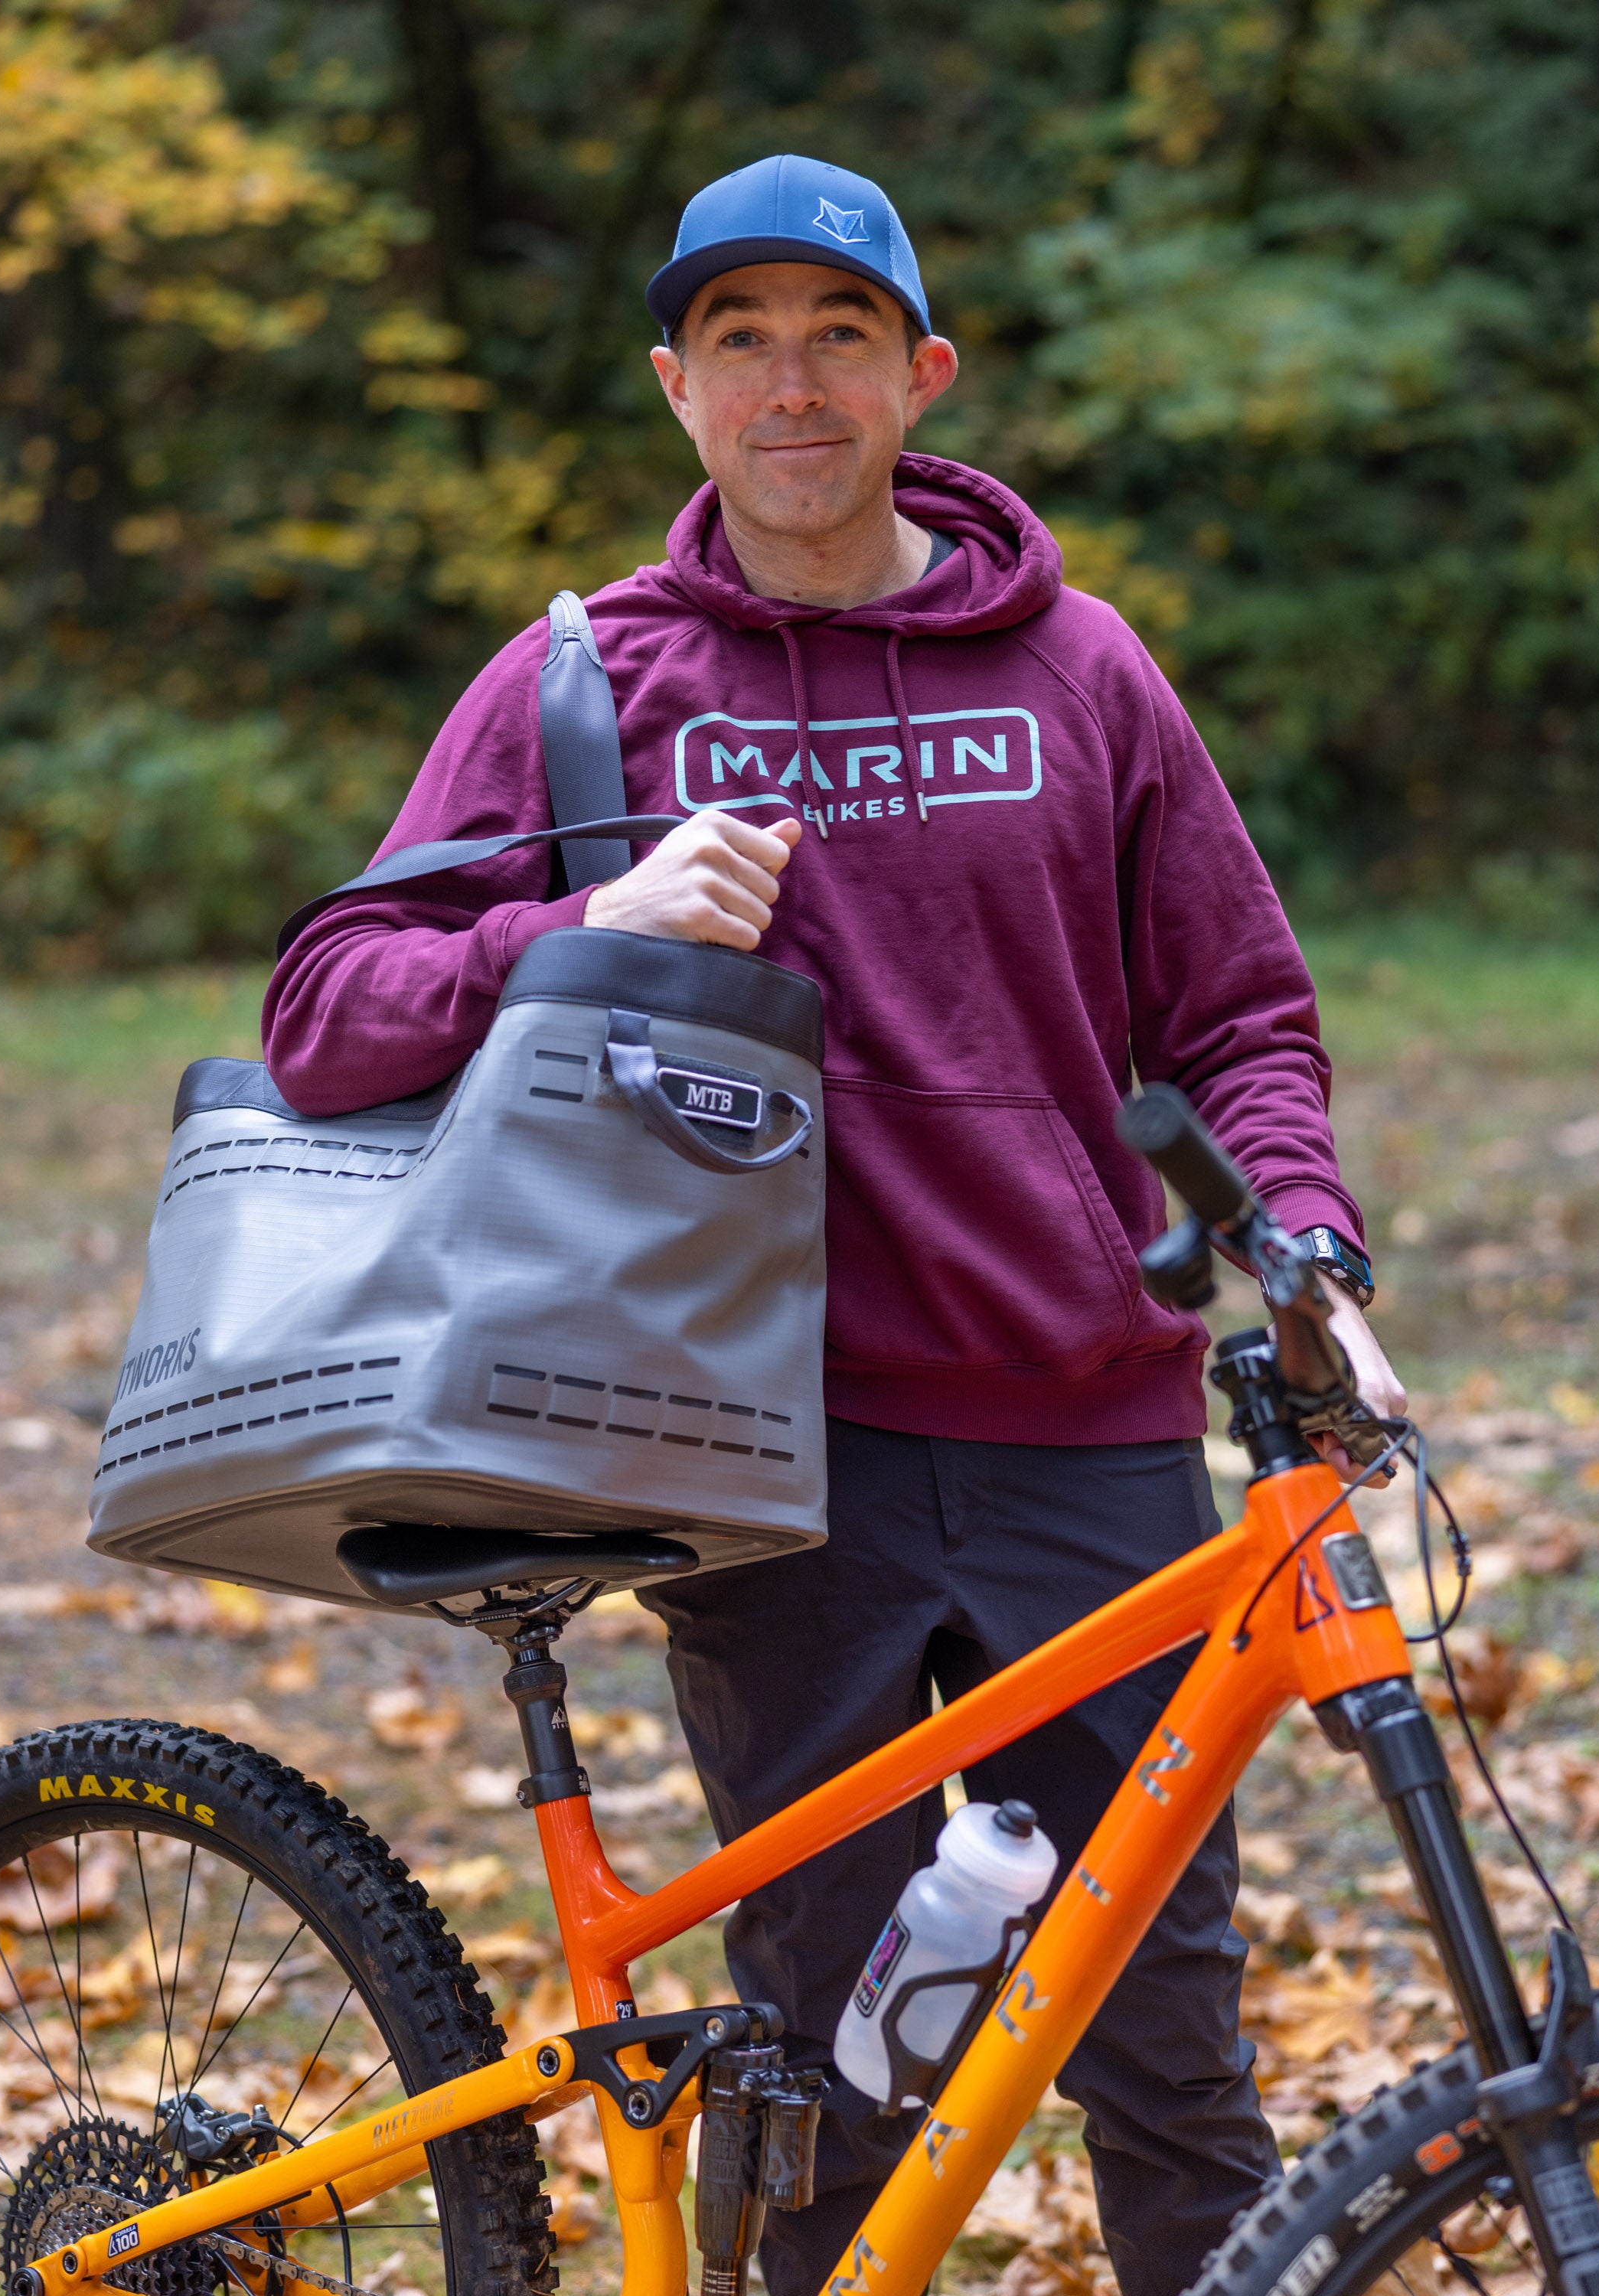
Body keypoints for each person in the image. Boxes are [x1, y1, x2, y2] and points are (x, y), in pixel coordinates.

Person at [263, 152, 1405, 2296]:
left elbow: (1241, 1019)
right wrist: (579, 926)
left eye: (840, 336)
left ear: (921, 374)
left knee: (1171, 2059)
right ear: (678, 389)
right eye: (743, 340)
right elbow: (323, 1013)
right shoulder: (589, 679)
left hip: (1093, 1438)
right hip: (767, 1462)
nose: (792, 384)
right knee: (836, 2068)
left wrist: (1309, 1242)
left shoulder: (1080, 670)